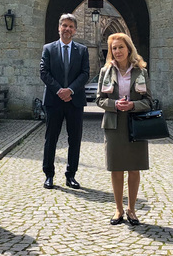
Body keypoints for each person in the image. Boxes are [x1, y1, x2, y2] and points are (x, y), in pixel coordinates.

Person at [96, 33, 153, 225]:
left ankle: (132, 210)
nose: (117, 51)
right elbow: (99, 100)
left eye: (121, 47)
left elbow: (149, 101)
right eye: (114, 48)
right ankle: (118, 209)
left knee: (134, 168)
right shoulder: (106, 72)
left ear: (129, 48)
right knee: (117, 168)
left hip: (135, 123)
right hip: (113, 124)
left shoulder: (141, 72)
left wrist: (133, 106)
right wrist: (114, 104)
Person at [40, 13, 90, 189]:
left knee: (74, 139)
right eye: (64, 25)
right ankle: (49, 175)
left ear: (75, 30)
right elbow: (44, 72)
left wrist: (71, 90)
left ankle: (71, 175)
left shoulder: (82, 50)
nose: (67, 29)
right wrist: (59, 90)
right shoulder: (48, 48)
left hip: (75, 101)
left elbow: (85, 73)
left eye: (70, 26)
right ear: (59, 28)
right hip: (54, 100)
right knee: (50, 139)